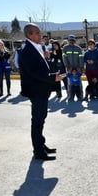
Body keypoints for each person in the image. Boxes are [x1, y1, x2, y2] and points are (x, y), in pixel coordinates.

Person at [19, 23, 64, 160]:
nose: (40, 35)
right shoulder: (27, 50)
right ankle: (38, 151)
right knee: (37, 121)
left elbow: (41, 67)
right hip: (36, 91)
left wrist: (47, 60)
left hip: (41, 90)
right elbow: (34, 73)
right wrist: (52, 77)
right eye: (37, 33)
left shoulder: (36, 47)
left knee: (41, 120)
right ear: (29, 35)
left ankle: (41, 145)